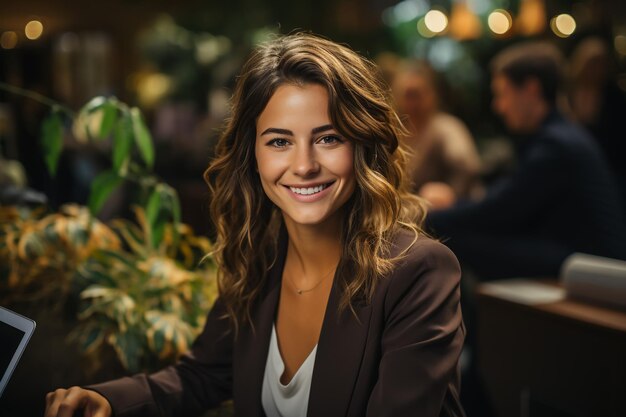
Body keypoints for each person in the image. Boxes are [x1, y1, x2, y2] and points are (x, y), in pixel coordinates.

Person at [44, 33, 466, 417]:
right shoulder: (258, 255)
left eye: (328, 138)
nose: (303, 166)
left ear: (363, 146)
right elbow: (203, 375)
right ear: (253, 155)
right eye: (280, 141)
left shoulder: (418, 273)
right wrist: (107, 400)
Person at [427, 41, 626, 280]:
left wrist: (426, 216)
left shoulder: (556, 144)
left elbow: (499, 211)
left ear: (531, 89)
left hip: (590, 268)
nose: (498, 106)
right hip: (579, 256)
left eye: (502, 94)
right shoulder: (561, 134)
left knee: (451, 237)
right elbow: (508, 203)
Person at [391, 60, 482, 209]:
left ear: (431, 95)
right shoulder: (395, 132)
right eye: (407, 95)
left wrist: (452, 192)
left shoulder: (445, 127)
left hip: (449, 212)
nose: (412, 103)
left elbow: (467, 166)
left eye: (416, 95)